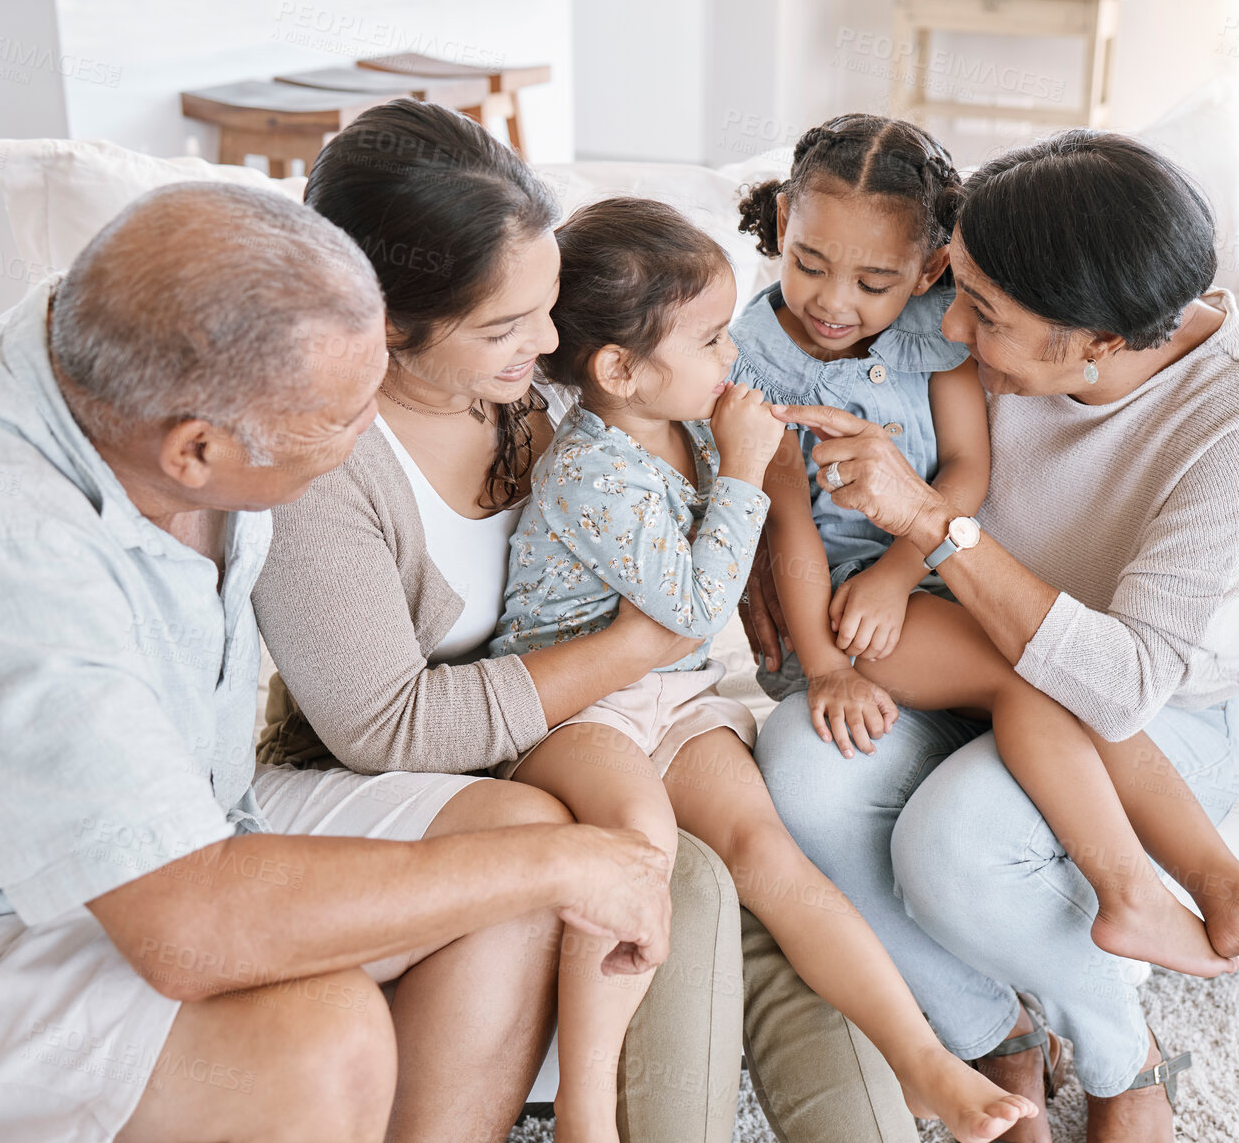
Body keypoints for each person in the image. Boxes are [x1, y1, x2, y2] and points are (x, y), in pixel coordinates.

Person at [0, 181, 672, 1143]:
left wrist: (545, 860)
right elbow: (187, 928)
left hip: (194, 817)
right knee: (322, 1038)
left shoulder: (140, 330)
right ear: (195, 453)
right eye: (340, 429)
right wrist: (559, 865)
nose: (364, 441)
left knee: (504, 837)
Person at [252, 100, 926, 1143]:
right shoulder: (323, 470)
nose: (552, 339)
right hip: (425, 768)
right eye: (505, 324)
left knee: (768, 848)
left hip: (585, 721)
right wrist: (639, 642)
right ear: (388, 324)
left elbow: (662, 461)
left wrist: (754, 506)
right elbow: (384, 731)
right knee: (687, 879)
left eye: (547, 303)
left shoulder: (536, 388)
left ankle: (908, 1095)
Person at [742, 130, 1239, 1143]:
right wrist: (764, 553)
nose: (946, 322)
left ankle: (1126, 1057)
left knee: (953, 843)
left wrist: (930, 529)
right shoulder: (976, 291)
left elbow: (1121, 688)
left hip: (1148, 720)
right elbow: (856, 209)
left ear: (1100, 343)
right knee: (797, 766)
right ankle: (992, 1031)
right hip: (951, 650)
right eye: (957, 286)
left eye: (983, 315)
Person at [489, 195, 1035, 1143]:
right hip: (575, 708)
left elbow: (730, 568)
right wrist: (745, 471)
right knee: (638, 846)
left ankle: (924, 1060)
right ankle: (583, 1110)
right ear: (620, 370)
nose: (734, 355)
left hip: (677, 698)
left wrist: (779, 457)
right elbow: (693, 609)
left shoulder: (691, 425)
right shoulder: (589, 472)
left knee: (772, 855)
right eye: (709, 341)